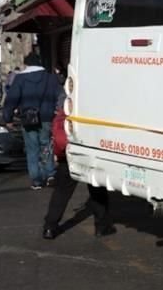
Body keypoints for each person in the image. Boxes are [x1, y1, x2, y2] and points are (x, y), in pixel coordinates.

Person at [42, 91, 114, 239]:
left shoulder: (66, 99)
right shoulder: (95, 103)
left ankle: (50, 227)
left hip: (68, 152)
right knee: (97, 189)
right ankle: (101, 226)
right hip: (90, 151)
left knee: (61, 192)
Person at [3, 58, 60, 190]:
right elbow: (59, 95)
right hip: (47, 117)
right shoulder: (51, 78)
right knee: (46, 145)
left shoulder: (20, 79)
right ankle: (50, 173)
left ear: (26, 64)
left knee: (32, 149)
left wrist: (8, 118)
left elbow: (12, 99)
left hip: (28, 118)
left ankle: (36, 180)